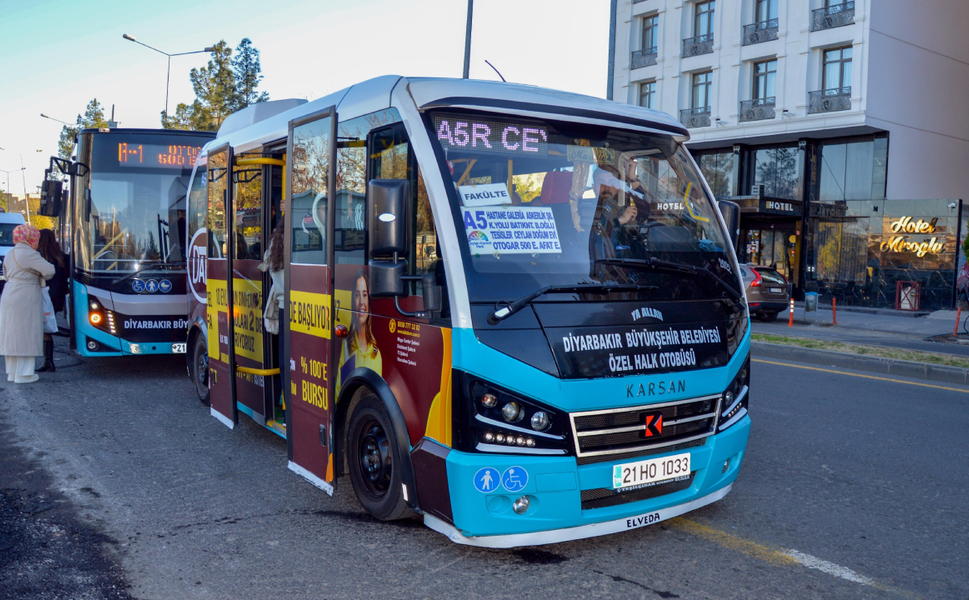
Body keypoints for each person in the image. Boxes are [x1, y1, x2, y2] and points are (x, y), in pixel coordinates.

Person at [0, 224, 55, 383]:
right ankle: (24, 374)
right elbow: (50, 270)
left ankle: (12, 372)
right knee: (26, 333)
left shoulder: (10, 253)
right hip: (26, 294)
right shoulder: (30, 253)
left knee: (11, 334)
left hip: (9, 293)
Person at [336, 270, 382, 395]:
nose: (361, 302)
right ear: (353, 301)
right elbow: (340, 392)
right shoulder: (347, 345)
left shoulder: (376, 355)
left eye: (365, 295)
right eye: (357, 295)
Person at [36, 229, 68, 372]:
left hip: (42, 295)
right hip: (57, 296)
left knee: (43, 327)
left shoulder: (39, 256)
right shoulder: (62, 257)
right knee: (47, 325)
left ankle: (47, 361)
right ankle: (48, 361)